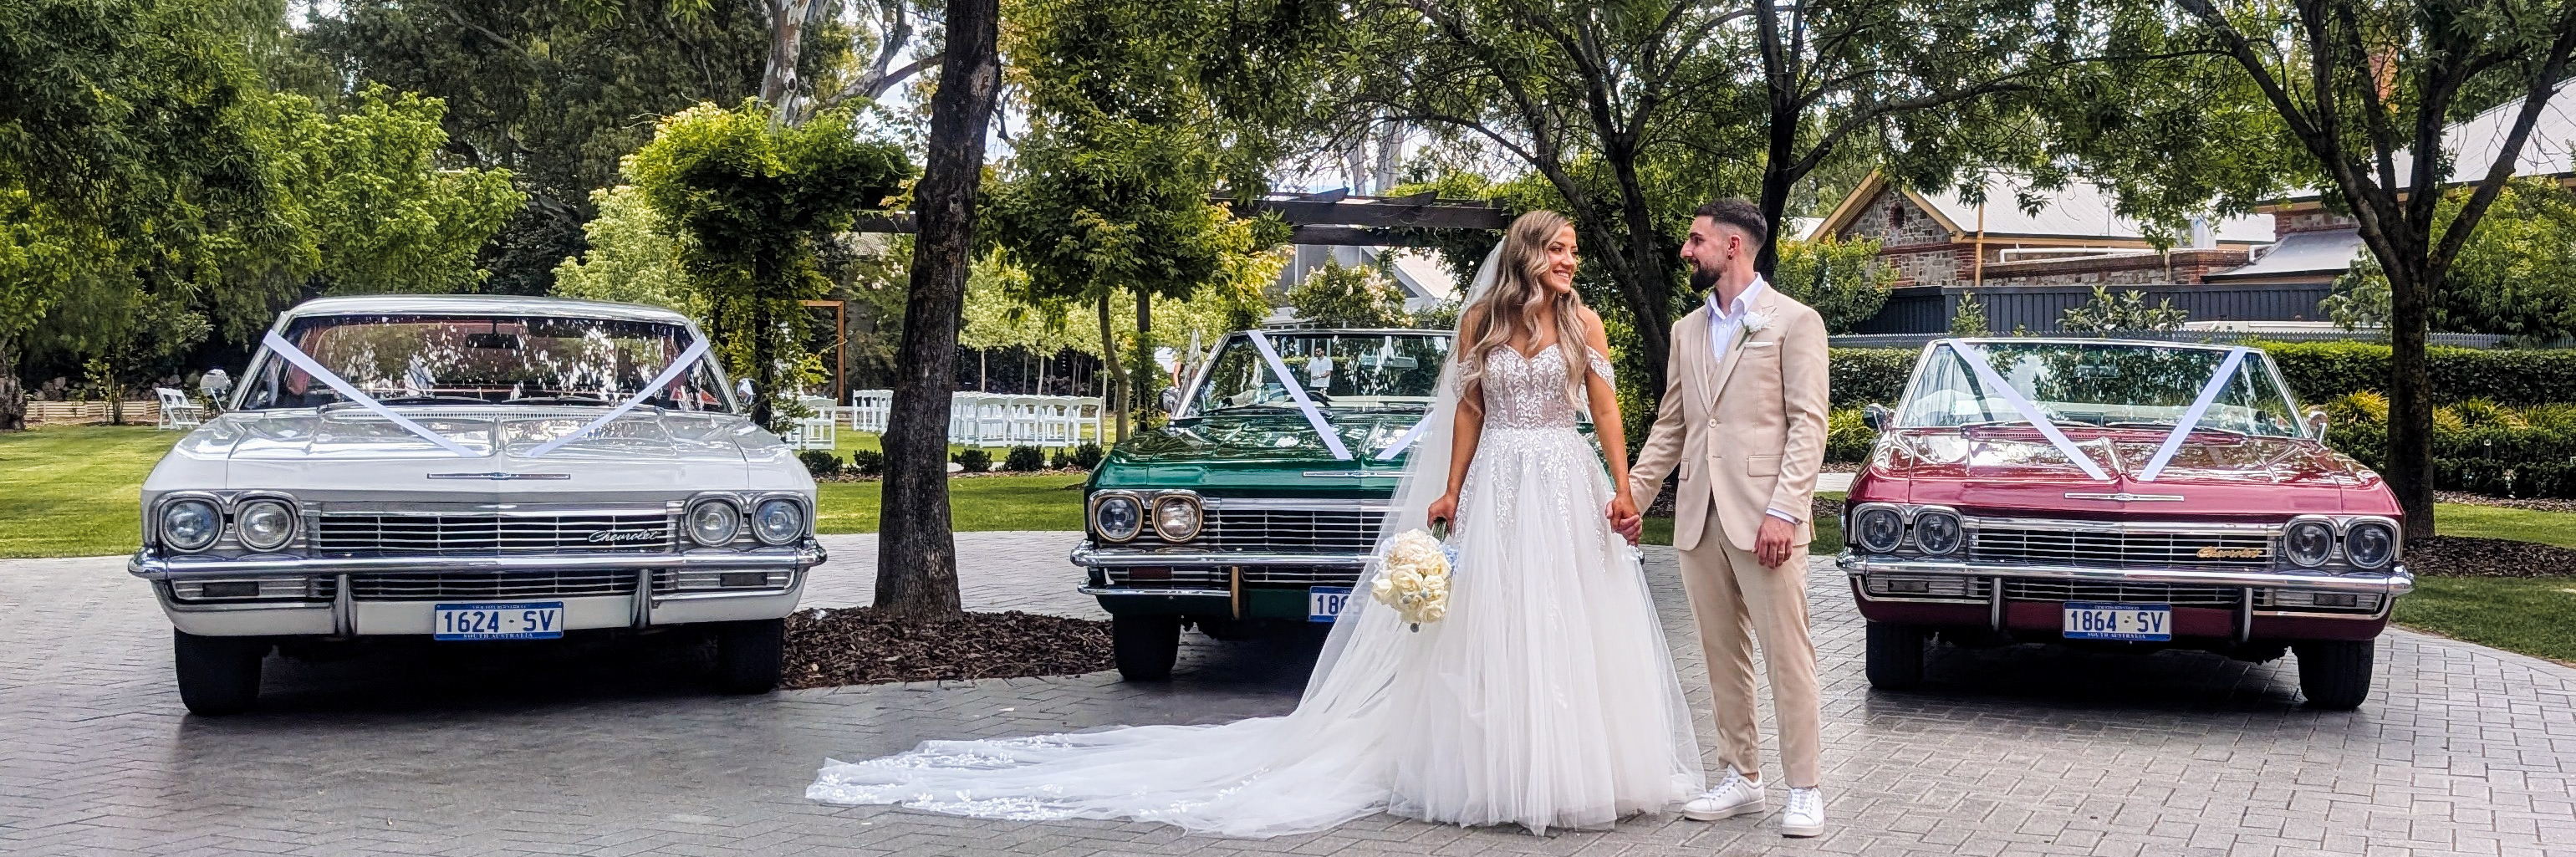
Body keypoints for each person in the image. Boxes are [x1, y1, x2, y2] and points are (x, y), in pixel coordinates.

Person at [806, 210, 1703, 837]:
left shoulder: (1585, 323)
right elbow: (1467, 414)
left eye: (1575, 252)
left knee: (1572, 624)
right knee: (1497, 623)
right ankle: (1498, 767)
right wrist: (1452, 489)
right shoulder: (1481, 321)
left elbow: (1608, 410)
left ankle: (1585, 769)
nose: (1572, 263)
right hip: (1502, 477)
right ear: (1528, 253)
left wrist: (1623, 490)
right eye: (1561, 251)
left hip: (1563, 476)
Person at [1617, 199, 1834, 838]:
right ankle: (1741, 775)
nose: (1685, 251)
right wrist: (1630, 497)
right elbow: (1671, 425)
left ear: (1733, 245)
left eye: (1695, 240)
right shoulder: (1687, 330)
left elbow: (1808, 425)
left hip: (1766, 519)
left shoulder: (1794, 321)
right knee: (1720, 655)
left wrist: (1784, 512)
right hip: (1697, 517)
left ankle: (1805, 787)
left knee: (1787, 656)